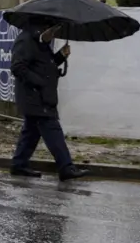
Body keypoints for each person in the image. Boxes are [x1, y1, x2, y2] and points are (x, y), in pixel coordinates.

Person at [10, 19, 88, 181]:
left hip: (42, 95)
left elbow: (45, 66)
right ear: (42, 28)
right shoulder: (25, 41)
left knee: (31, 131)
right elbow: (18, 67)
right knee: (52, 129)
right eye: (52, 31)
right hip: (35, 96)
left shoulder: (41, 43)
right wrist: (40, 83)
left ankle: (19, 164)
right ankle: (66, 167)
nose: (53, 35)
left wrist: (60, 56)